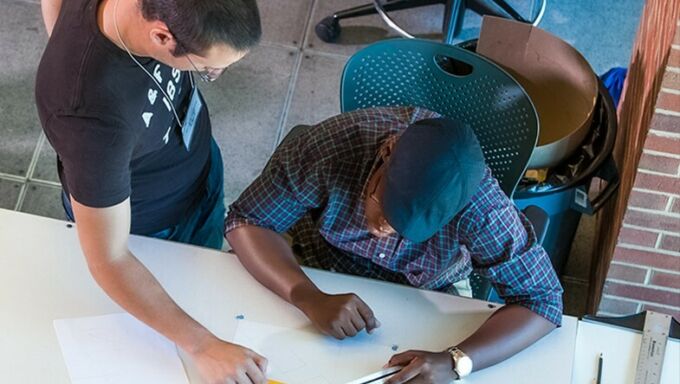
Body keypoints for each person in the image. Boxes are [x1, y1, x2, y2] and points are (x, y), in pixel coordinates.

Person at [226, 107, 564, 383]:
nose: (384, 231)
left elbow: (542, 301)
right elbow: (246, 220)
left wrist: (456, 361)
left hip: (430, 283)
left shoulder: (483, 206)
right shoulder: (331, 148)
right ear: (388, 151)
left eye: (408, 230)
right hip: (320, 254)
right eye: (384, 206)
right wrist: (305, 294)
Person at [36, 0, 268, 382]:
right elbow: (109, 259)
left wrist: (60, 34)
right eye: (208, 68)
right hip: (153, 227)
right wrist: (203, 345)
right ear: (161, 35)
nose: (216, 72)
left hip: (196, 165)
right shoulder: (90, 120)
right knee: (185, 305)